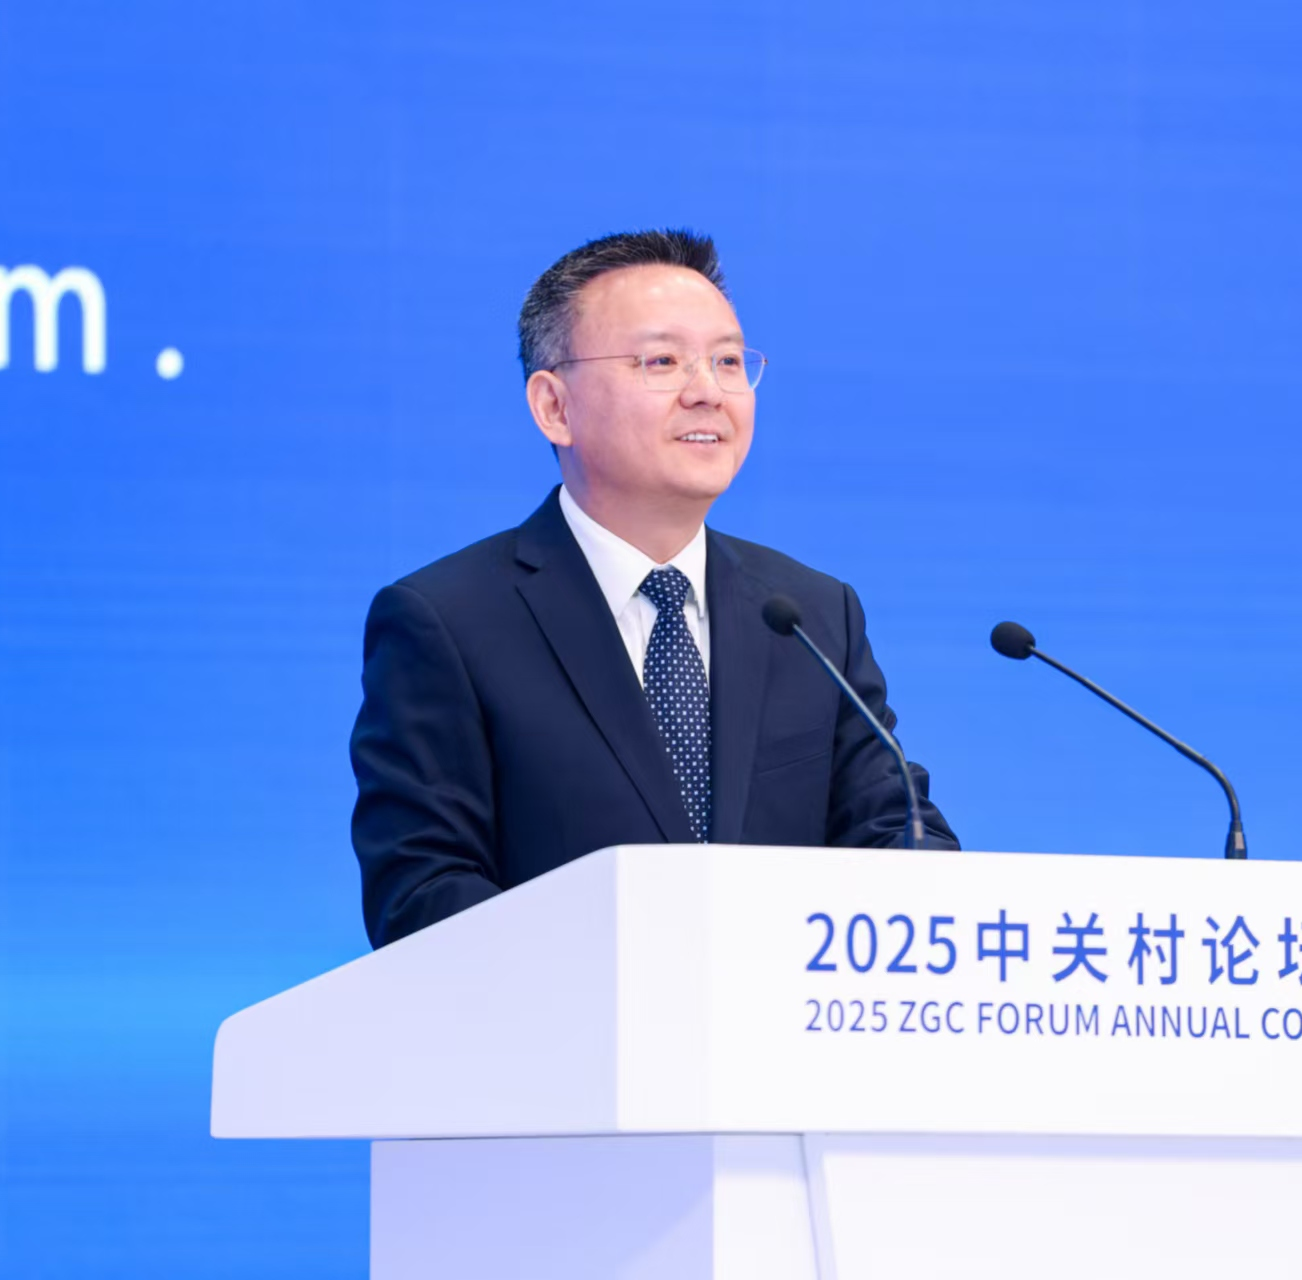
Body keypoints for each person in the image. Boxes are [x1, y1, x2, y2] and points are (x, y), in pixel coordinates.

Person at [350, 229, 958, 947]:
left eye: (727, 361)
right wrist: (640, 972)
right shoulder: (447, 622)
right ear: (554, 407)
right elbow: (423, 893)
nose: (708, 392)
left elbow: (895, 830)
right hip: (568, 1015)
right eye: (662, 362)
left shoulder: (811, 614)